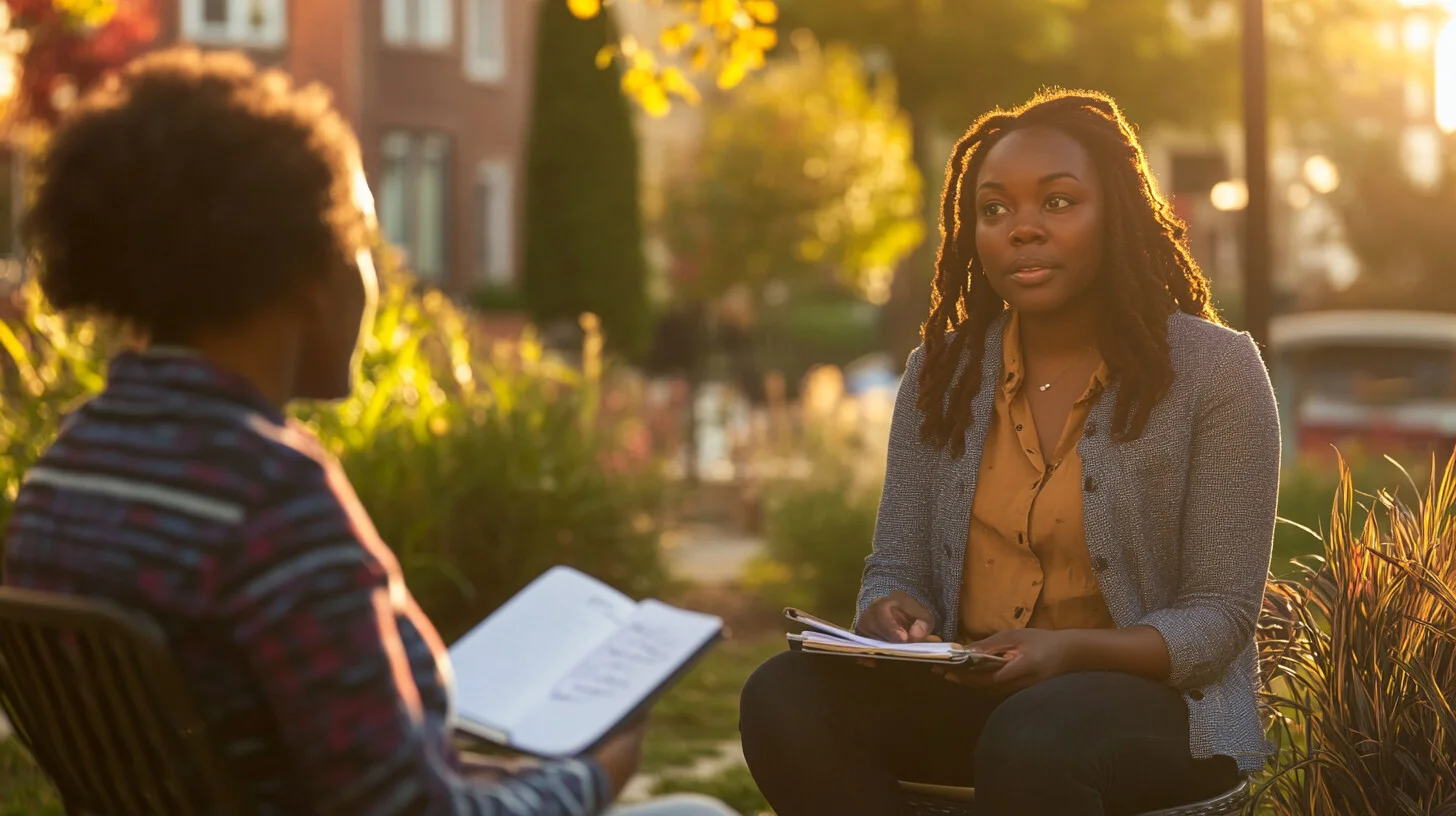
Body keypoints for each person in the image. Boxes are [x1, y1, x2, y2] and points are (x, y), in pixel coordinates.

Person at [2, 47, 736, 816]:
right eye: (364, 242)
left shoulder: (66, 469)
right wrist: (594, 773)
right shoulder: (270, 498)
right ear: (304, 274)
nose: (376, 277)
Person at [739, 90, 1279, 815]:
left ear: (1115, 214)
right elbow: (896, 565)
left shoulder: (1215, 373)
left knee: (1036, 736)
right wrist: (891, 612)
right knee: (782, 695)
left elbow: (1218, 620)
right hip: (980, 702)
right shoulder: (942, 372)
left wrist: (1071, 653)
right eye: (994, 211)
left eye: (1058, 203)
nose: (1022, 229)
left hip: (1160, 714)